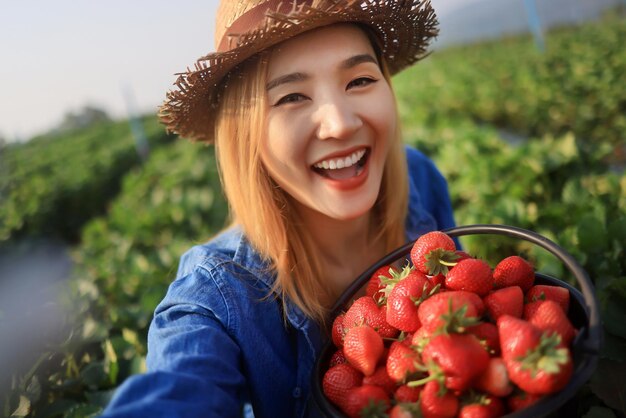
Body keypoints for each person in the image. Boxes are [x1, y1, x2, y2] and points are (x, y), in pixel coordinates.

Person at [101, 1, 456, 417]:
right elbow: (180, 392)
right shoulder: (216, 299)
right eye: (291, 97)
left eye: (359, 80)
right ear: (245, 133)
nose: (340, 123)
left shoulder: (420, 180)